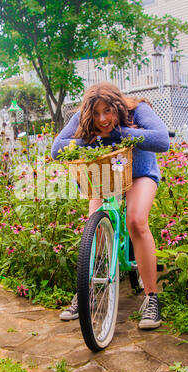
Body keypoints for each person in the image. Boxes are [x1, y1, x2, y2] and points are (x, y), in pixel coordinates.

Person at [51, 82, 170, 329]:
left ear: (117, 106)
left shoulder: (138, 110)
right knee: (93, 229)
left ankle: (151, 298)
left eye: (108, 111)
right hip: (105, 175)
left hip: (140, 173)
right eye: (95, 113)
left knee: (136, 221)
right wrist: (88, 139)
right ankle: (86, 293)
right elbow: (56, 148)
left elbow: (162, 140)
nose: (102, 118)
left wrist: (117, 134)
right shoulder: (83, 117)